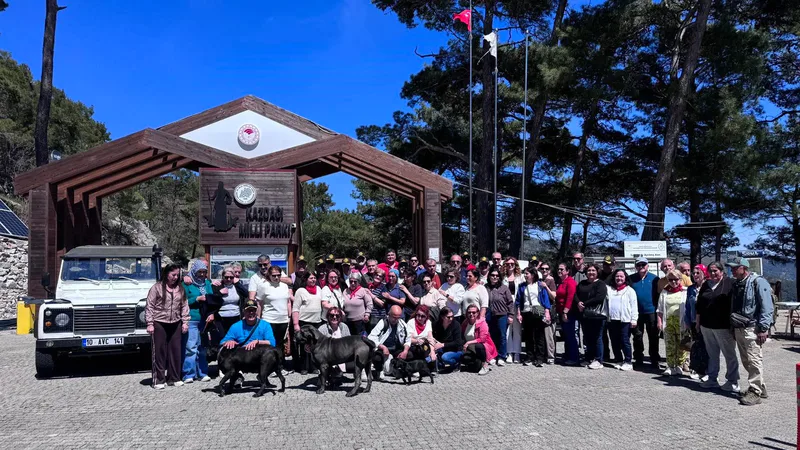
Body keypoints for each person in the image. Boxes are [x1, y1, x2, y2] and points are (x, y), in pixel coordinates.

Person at [726, 257, 773, 406]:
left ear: (744, 268)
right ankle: (760, 388)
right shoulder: (737, 284)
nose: (732, 270)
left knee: (754, 360)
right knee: (746, 360)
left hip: (753, 328)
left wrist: (763, 328)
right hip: (739, 327)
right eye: (731, 268)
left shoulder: (758, 282)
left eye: (735, 267)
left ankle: (755, 392)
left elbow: (767, 306)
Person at [697, 262, 740, 392]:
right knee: (712, 354)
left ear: (722, 271)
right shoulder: (706, 284)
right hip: (706, 326)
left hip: (724, 327)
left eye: (716, 271)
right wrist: (698, 323)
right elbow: (699, 305)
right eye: (711, 271)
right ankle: (712, 379)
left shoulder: (730, 283)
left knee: (729, 355)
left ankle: (732, 381)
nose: (713, 273)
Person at [146, 263, 190, 389]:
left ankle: (174, 378)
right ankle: (158, 379)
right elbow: (150, 305)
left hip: (175, 322)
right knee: (159, 352)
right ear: (166, 274)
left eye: (177, 275)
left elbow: (184, 305)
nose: (175, 277)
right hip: (159, 322)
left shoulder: (180, 288)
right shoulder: (157, 288)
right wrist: (150, 323)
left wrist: (185, 322)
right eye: (173, 275)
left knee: (175, 351)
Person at [250, 264, 292, 374]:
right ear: (269, 275)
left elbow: (288, 302)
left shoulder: (284, 286)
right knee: (269, 344)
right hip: (269, 319)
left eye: (278, 275)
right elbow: (259, 303)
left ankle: (280, 366)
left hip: (283, 319)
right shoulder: (264, 286)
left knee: (280, 344)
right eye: (274, 276)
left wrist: (289, 316)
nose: (277, 278)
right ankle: (269, 367)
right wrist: (258, 319)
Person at [182, 259, 212, 384]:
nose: (201, 274)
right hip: (192, 318)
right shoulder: (187, 284)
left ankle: (203, 372)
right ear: (194, 272)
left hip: (205, 319)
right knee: (191, 347)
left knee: (202, 347)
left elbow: (212, 299)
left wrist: (211, 314)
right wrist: (197, 298)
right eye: (199, 272)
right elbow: (183, 301)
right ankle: (188, 373)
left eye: (203, 272)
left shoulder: (207, 283)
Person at [515, 267, 551, 367]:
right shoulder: (522, 286)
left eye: (527, 274)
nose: (525, 275)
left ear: (533, 275)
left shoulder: (539, 285)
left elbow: (545, 299)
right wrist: (519, 313)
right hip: (526, 311)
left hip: (538, 311)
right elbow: (518, 301)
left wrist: (547, 312)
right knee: (528, 336)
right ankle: (529, 357)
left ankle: (540, 358)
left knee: (539, 335)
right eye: (525, 274)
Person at [630, 257, 661, 369]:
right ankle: (638, 358)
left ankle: (654, 359)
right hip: (637, 312)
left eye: (643, 264)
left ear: (647, 266)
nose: (641, 267)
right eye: (639, 265)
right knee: (637, 336)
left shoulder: (655, 279)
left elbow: (659, 296)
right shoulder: (631, 279)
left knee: (653, 336)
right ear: (636, 266)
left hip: (651, 312)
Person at [657, 269, 689, 376]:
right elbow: (660, 309)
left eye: (676, 279)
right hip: (669, 322)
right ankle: (670, 366)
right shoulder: (664, 292)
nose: (673, 282)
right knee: (670, 345)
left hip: (681, 322)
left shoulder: (685, 291)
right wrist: (659, 322)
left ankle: (679, 365)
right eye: (671, 280)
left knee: (681, 345)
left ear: (680, 279)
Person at [577, 264, 608, 370]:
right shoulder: (582, 283)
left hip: (597, 316)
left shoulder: (601, 284)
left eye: (593, 270)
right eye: (589, 270)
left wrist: (584, 304)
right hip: (585, 315)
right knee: (587, 337)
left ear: (597, 272)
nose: (591, 272)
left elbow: (599, 298)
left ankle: (599, 359)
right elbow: (576, 295)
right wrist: (578, 303)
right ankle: (589, 357)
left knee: (597, 337)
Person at [606, 269, 638, 371]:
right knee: (614, 341)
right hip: (612, 319)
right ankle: (618, 359)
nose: (619, 278)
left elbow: (634, 306)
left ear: (625, 278)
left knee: (625, 341)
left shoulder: (630, 290)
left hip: (625, 320)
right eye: (617, 276)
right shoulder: (609, 289)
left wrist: (634, 319)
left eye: (621, 276)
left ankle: (628, 361)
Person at [292, 272, 323, 375]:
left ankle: (314, 367)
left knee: (314, 346)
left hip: (316, 321)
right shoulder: (301, 291)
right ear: (305, 279)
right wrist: (296, 324)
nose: (313, 280)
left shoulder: (319, 289)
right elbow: (295, 308)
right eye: (311, 278)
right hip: (304, 321)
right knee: (304, 346)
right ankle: (304, 367)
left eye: (314, 278)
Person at [368, 305, 411, 376]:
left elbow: (408, 339)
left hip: (396, 349)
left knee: (409, 354)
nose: (396, 320)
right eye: (394, 317)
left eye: (398, 317)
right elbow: (371, 337)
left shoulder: (402, 324)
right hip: (383, 349)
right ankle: (379, 370)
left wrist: (405, 351)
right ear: (389, 314)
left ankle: (396, 369)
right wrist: (382, 347)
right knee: (376, 357)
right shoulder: (382, 323)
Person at [685, 264, 709, 380]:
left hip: (706, 321)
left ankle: (708, 371)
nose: (695, 275)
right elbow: (687, 306)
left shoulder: (709, 286)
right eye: (693, 273)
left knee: (707, 347)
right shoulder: (691, 288)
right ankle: (697, 369)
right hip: (694, 321)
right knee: (696, 346)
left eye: (697, 273)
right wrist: (687, 321)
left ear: (704, 274)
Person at [486, 267, 514, 366]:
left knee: (502, 336)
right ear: (489, 276)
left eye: (497, 276)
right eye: (493, 275)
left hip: (502, 314)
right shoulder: (486, 287)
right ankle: (493, 355)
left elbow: (510, 302)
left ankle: (502, 356)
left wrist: (511, 315)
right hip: (490, 315)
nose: (495, 277)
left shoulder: (504, 288)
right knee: (491, 336)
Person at [211, 266, 249, 336]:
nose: (229, 279)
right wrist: (220, 293)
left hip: (236, 316)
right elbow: (212, 300)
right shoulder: (217, 286)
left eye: (231, 277)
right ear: (222, 277)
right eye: (226, 277)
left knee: (235, 337)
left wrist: (237, 284)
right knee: (223, 338)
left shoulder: (237, 287)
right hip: (221, 317)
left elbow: (246, 294)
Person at [461, 304, 497, 375]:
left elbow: (482, 339)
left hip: (483, 348)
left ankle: (485, 365)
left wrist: (468, 343)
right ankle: (477, 363)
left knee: (478, 346)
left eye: (474, 312)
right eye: (469, 312)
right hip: (471, 350)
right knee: (464, 359)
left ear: (478, 313)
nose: (471, 314)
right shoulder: (465, 323)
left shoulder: (482, 323)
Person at [556, 263, 579, 364]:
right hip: (561, 312)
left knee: (570, 335)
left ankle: (574, 357)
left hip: (569, 312)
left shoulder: (570, 282)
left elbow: (570, 297)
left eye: (562, 269)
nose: (559, 271)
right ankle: (568, 355)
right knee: (566, 335)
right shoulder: (561, 282)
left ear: (567, 271)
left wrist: (566, 311)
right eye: (558, 269)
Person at [503, 257, 523, 364]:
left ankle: (517, 353)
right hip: (505, 307)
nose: (510, 265)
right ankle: (509, 353)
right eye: (508, 263)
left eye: (512, 263)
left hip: (517, 306)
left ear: (515, 265)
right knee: (507, 331)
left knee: (517, 330)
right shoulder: (502, 278)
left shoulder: (520, 277)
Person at [433, 307, 464, 371]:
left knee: (445, 357)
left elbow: (458, 342)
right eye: (448, 317)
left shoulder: (456, 325)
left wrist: (443, 345)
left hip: (456, 350)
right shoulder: (436, 324)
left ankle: (455, 363)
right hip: (442, 350)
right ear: (442, 317)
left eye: (452, 316)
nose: (451, 319)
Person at [343, 272, 373, 336]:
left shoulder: (363, 291)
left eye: (355, 281)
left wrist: (367, 314)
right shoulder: (345, 291)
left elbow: (369, 303)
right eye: (351, 281)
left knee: (359, 340)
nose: (353, 283)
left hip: (360, 321)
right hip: (348, 320)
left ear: (359, 282)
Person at [540, 262, 558, 364]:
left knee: (549, 334)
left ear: (549, 271)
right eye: (542, 269)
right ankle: (543, 355)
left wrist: (546, 287)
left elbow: (554, 297)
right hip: (540, 310)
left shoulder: (551, 281)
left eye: (546, 269)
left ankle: (551, 356)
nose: (544, 271)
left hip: (550, 310)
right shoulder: (540, 280)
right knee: (542, 334)